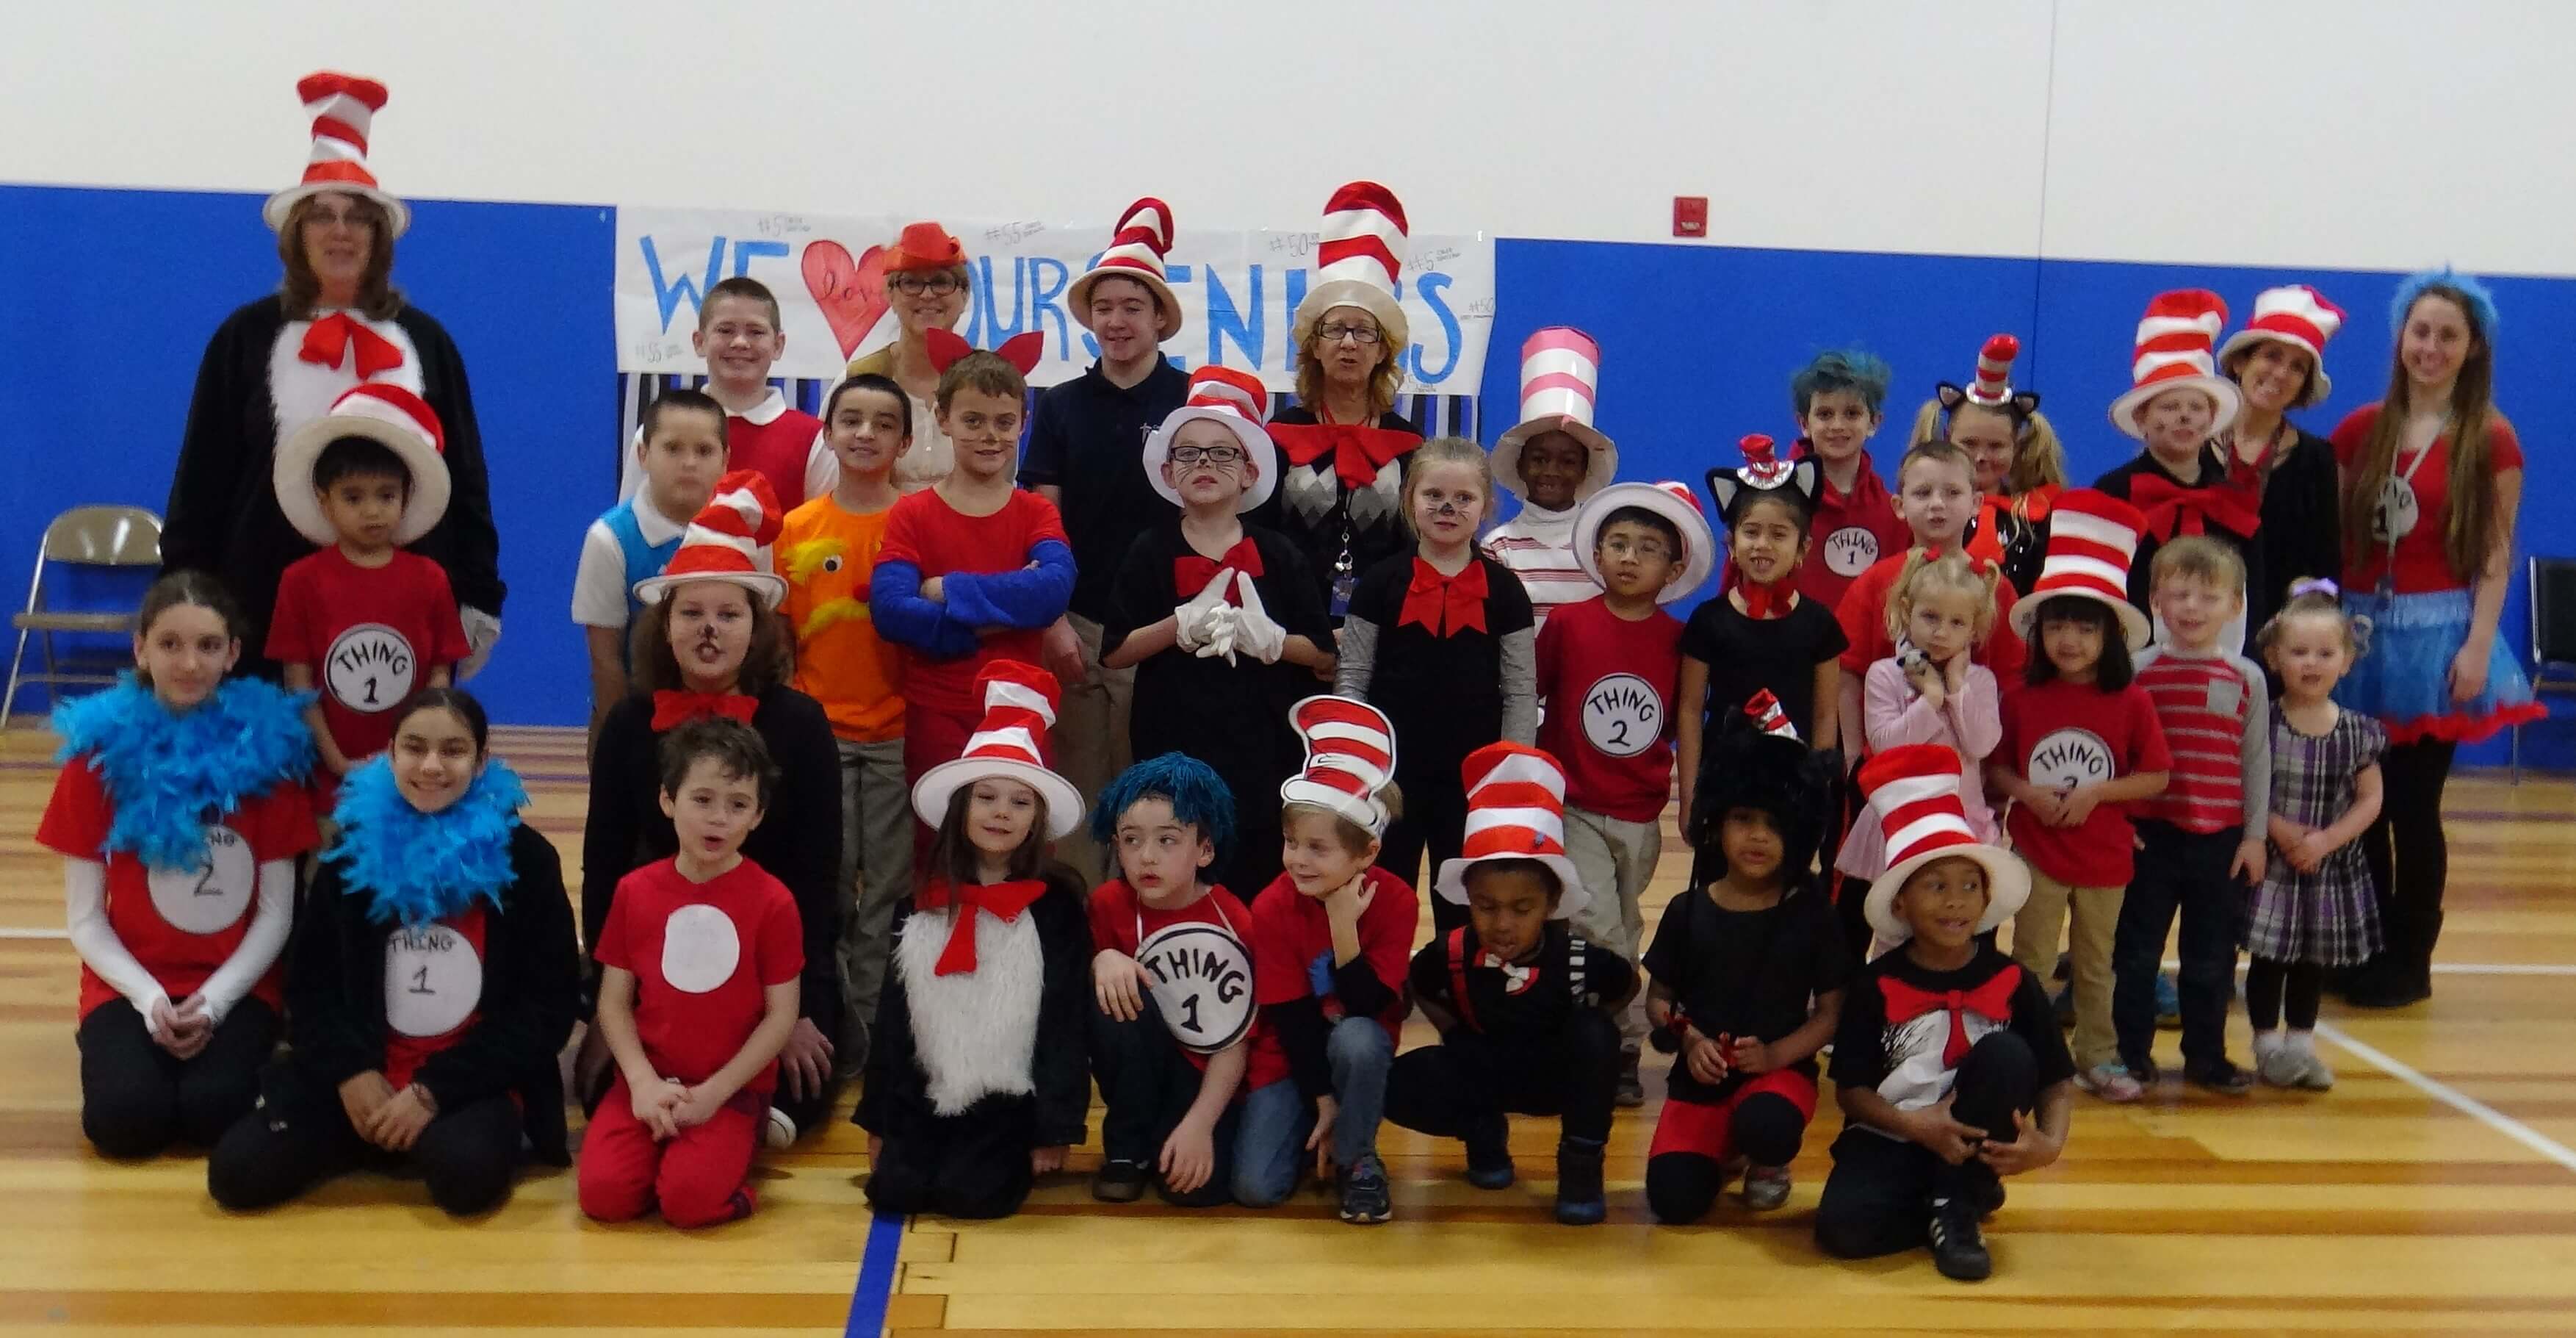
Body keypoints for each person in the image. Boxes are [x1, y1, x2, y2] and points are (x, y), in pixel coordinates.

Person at [163, 71, 501, 682]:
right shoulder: (244, 337)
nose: (340, 230)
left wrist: (478, 593)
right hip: (260, 607)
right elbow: (202, 476)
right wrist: (186, 592)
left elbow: (467, 477)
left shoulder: (427, 341)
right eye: (321, 216)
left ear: (379, 236)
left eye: (357, 218)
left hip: (401, 606)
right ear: (298, 235)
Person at [207, 689, 578, 1215]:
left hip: (470, 1078)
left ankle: (399, 1133)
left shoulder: (528, 860)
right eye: (415, 747)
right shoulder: (349, 853)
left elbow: (546, 1008)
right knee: (235, 1176)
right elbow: (310, 986)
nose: (431, 765)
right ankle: (370, 1127)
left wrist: (433, 1091)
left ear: (481, 761)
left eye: (453, 750)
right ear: (390, 754)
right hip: (365, 1068)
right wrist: (352, 1073)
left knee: (466, 1179)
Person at [582, 472, 843, 1143]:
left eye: (728, 615)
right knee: (598, 1096)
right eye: (691, 613)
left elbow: (817, 875)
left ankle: (741, 1102)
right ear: (663, 626)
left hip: (771, 964)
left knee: (802, 1094)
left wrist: (806, 1005)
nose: (708, 630)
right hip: (661, 958)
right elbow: (604, 867)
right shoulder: (629, 724)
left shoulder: (802, 723)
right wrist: (607, 1005)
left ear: (755, 630)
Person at [38, 573, 316, 1159]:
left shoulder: (269, 758)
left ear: (234, 653)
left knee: (214, 1113)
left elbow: (276, 915)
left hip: (238, 987)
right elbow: (86, 919)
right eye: (170, 644)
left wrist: (213, 1002)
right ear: (139, 648)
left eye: (209, 645)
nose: (189, 663)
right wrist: (147, 999)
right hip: (129, 981)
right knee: (123, 1122)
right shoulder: (97, 759)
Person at [2331, 268, 2542, 1007]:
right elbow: (2333, 540)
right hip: (2357, 635)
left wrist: (2479, 644)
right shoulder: (2360, 431)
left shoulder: (2491, 436)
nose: (2431, 346)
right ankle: (2362, 944)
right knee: (2357, 800)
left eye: (2448, 335)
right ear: (2400, 339)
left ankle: (2410, 957)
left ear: (2471, 347)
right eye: (2421, 331)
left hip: (2436, 636)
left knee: (2410, 805)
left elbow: (2494, 549)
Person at [1816, 744, 2071, 1283]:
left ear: (1985, 899)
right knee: (1842, 1232)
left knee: (2006, 1053)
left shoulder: (2012, 979)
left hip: (1979, 1135)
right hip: (1895, 1133)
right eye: (1935, 886)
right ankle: (1947, 1200)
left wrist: (2048, 1146)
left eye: (1968, 886)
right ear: (1901, 903)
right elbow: (1851, 1091)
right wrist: (1916, 1125)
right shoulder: (1875, 983)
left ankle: (1954, 1204)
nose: (1955, 901)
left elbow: (2053, 1075)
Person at [857, 663, 1092, 1220]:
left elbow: (1064, 1022)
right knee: (893, 1192)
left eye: (1019, 802)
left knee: (974, 1196)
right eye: (987, 796)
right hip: (927, 1089)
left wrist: (1054, 1129)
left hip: (1008, 1098)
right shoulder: (920, 905)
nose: (1001, 813)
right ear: (962, 807)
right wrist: (878, 1121)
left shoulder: (1055, 909)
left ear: (1036, 819)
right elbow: (894, 1021)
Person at [1102, 367, 1332, 898]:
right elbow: (1114, 652)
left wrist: (1272, 642)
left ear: (1249, 471)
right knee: (1177, 868)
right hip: (1171, 741)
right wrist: (1176, 625)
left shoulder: (1279, 553)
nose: (1204, 462)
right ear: (1169, 470)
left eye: (1221, 452)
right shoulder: (1149, 549)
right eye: (1189, 452)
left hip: (1265, 748)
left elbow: (1321, 654)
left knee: (1256, 872)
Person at [1388, 743, 1632, 1226]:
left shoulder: (1579, 959)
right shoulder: (1451, 952)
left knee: (1597, 1036)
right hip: (1486, 1069)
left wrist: (1589, 1036)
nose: (1502, 923)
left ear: (1551, 903)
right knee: (1393, 1084)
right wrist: (1454, 1032)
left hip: (1552, 1075)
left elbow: (1626, 984)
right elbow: (1417, 982)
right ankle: (1483, 1133)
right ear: (1468, 900)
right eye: (1485, 906)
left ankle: (1581, 1163)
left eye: (1521, 909)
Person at [1025, 198, 1192, 885]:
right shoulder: (1061, 405)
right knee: (1080, 799)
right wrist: (1053, 616)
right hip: (1082, 625)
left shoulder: (1193, 398)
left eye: (1133, 306)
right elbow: (1043, 521)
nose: (1117, 321)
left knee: (1157, 800)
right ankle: (1082, 945)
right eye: (1104, 307)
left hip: (1167, 627)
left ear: (1159, 317)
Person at [1985, 493, 2171, 1104]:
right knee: (2032, 960)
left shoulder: (2131, 701)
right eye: (2056, 625)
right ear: (2038, 633)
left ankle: (2098, 1055)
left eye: (2084, 626)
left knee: (2095, 966)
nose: (2068, 638)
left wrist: (2096, 794)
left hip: (2105, 860)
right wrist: (2026, 796)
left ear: (2110, 634)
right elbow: (1997, 769)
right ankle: (2030, 1057)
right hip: (2037, 854)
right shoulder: (2019, 696)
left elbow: (2156, 776)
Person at [580, 719, 804, 1229]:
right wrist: (640, 1082)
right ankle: (674, 1150)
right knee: (603, 1196)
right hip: (648, 1078)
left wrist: (714, 1093)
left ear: (758, 814)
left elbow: (781, 1014)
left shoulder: (773, 902)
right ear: (667, 800)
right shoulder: (635, 891)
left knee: (688, 1203)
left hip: (728, 1089)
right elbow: (613, 1002)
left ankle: (736, 1160)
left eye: (737, 804)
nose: (718, 818)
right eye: (702, 799)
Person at [1540, 478, 1715, 1103]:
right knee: (1599, 925)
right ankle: (1619, 1041)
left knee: (1622, 920)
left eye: (1646, 547)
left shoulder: (1677, 639)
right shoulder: (1567, 623)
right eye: (1617, 542)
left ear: (1672, 568)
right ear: (1597, 551)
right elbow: (1535, 692)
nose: (1629, 557)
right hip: (1575, 803)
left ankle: (1584, 1025)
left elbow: (1678, 719)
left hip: (1638, 812)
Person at [1642, 698, 1847, 1221]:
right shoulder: (1687, 909)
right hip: (1701, 1075)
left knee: (1768, 1124)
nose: (1757, 836)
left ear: (1799, 830)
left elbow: (1829, 1013)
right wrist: (1689, 1039)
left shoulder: (1813, 914)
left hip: (1777, 1075)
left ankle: (1766, 1158)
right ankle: (1722, 1148)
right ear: (1716, 821)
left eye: (1774, 824)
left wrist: (1777, 1056)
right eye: (1742, 819)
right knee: (1672, 1201)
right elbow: (1659, 998)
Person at [870, 331, 1073, 846]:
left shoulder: (1036, 511)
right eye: (973, 420)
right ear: (942, 419)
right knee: (938, 848)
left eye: (1004, 422)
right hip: (936, 709)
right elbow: (891, 609)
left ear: (1024, 423)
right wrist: (997, 616)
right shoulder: (912, 513)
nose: (990, 436)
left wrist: (946, 590)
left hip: (1021, 709)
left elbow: (1052, 591)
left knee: (1021, 849)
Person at [1337, 436, 1537, 927]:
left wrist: (1509, 771)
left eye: (1463, 498)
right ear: (1409, 501)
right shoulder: (1379, 583)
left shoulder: (1506, 590)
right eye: (1433, 495)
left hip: (1473, 776)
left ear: (1486, 507)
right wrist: (1358, 766)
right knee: (1385, 886)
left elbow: (1519, 688)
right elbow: (1353, 678)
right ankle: (1383, 985)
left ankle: (1460, 986)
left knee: (1466, 891)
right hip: (1391, 776)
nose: (1447, 507)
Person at [1236, 697, 1415, 1223]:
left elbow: (1368, 1004)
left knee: (1357, 1038)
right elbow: (1291, 1017)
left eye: (1317, 848)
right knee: (1254, 1187)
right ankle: (1320, 1129)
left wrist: (1342, 924)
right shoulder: (1271, 904)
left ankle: (1358, 1159)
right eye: (1292, 842)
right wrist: (1322, 1100)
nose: (1297, 859)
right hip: (1292, 1057)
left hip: (1355, 1048)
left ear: (1366, 855)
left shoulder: (1397, 900)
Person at [779, 375, 913, 1077]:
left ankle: (871, 1023)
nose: (865, 433)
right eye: (850, 420)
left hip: (895, 734)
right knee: (827, 882)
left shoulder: (916, 522)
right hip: (819, 737)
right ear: (826, 434)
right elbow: (782, 639)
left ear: (905, 441)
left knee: (887, 888)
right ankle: (825, 1017)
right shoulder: (797, 530)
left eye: (882, 423)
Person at [2113, 538, 2270, 1095]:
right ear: (2155, 600)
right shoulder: (2135, 672)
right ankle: (2128, 1054)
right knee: (2135, 953)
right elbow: (2118, 754)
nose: (2192, 607)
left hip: (2219, 841)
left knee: (2210, 958)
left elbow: (2255, 762)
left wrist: (2254, 836)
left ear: (2234, 605)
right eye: (2179, 594)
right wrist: (2120, 822)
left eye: (2209, 596)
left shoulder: (2245, 677)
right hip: (2148, 837)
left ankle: (2206, 1057)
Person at [264, 385, 471, 800]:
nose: (373, 511)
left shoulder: (430, 579)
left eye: (386, 496)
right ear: (324, 503)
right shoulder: (301, 580)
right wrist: (334, 758)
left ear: (406, 498)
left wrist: (415, 754)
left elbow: (439, 677)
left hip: (411, 777)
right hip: (327, 774)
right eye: (353, 497)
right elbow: (298, 682)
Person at [1083, 754, 1257, 1206]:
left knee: (1198, 1193)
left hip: (1207, 1074)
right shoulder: (1107, 904)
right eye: (1131, 840)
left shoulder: (1234, 920)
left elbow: (1235, 1042)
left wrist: (1199, 1125)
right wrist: (1102, 957)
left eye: (1167, 840)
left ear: (1205, 850)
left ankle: (1168, 1134)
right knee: (1115, 995)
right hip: (1142, 1062)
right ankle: (1126, 1150)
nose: (1147, 857)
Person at [1252, 182, 1425, 619]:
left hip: (1380, 624)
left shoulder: (1410, 443)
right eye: (1336, 329)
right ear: (1314, 345)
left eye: (1364, 332)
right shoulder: (1278, 435)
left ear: (1383, 350)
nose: (1349, 344)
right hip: (1288, 622)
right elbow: (1260, 538)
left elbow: (1415, 548)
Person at [1833, 548, 2004, 955]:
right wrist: (1929, 698)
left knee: (1956, 933)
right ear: (1907, 610)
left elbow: (1982, 744)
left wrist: (1956, 688)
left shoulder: (1979, 681)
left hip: (1959, 821)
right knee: (1895, 931)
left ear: (1974, 631)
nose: (1942, 632)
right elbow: (1889, 745)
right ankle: (1892, 1014)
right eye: (1931, 617)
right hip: (1899, 824)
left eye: (1957, 622)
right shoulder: (1884, 676)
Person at [2250, 584, 2386, 1087]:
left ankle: (2301, 1043)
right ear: (2273, 656)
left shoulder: (2357, 731)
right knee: (2269, 956)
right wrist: (2281, 830)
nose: (2311, 663)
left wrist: (2325, 840)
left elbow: (2369, 798)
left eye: (2325, 653)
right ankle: (2265, 1042)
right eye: (2298, 652)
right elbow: (2248, 784)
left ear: (2346, 661)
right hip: (2274, 861)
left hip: (2327, 865)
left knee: (2311, 959)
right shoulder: (2263, 720)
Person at [1678, 436, 1846, 827]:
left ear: (1803, 548)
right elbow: (1689, 710)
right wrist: (1689, 798)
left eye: (1779, 535)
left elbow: (1825, 715)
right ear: (1731, 544)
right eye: (1751, 532)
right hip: (1724, 785)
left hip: (1794, 788)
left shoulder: (1820, 625)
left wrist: (1819, 791)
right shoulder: (1708, 621)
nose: (1762, 545)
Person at [1833, 440, 2027, 762]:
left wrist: (2000, 771)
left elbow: (2011, 683)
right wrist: (1853, 756)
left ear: (1977, 503)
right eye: (1923, 493)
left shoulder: (1995, 586)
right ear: (1898, 506)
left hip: (1967, 772)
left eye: (1952, 493)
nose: (1937, 504)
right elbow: (1848, 673)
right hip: (1889, 767)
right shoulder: (1873, 583)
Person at [2094, 289, 2265, 653]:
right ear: (2142, 418)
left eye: (2196, 407)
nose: (2185, 416)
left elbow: (2252, 589)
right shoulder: (2114, 492)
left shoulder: (2231, 498)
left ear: (2211, 419)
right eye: (2170, 406)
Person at [574, 389, 729, 735]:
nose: (689, 463)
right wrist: (623, 738)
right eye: (673, 448)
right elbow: (605, 659)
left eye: (704, 451)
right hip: (635, 717)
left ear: (725, 459)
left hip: (727, 726)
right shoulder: (609, 538)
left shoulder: (745, 530)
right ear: (643, 454)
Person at [616, 277, 832, 507]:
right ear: (700, 342)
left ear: (778, 345)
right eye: (726, 330)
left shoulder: (815, 440)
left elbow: (825, 531)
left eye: (756, 332)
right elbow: (630, 529)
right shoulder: (658, 431)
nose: (740, 342)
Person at [2218, 286, 2348, 647]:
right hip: (2190, 636)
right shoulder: (2193, 444)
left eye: (2297, 367)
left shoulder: (2316, 460)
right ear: (2241, 361)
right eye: (2271, 356)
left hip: (2276, 646)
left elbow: (2323, 565)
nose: (2280, 373)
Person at [1907, 334, 2067, 595]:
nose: (1980, 457)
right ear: (1947, 438)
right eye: (1969, 444)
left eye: (1996, 446)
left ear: (2017, 445)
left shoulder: (2033, 518)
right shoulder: (1926, 508)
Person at [1481, 328, 1620, 627]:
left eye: (1568, 461)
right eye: (1539, 459)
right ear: (1519, 465)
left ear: (1585, 470)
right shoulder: (1498, 547)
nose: (1551, 471)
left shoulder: (1603, 543)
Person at [845, 220, 973, 491]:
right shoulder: (860, 377)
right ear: (890, 294)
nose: (927, 295)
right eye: (911, 283)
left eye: (941, 282)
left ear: (964, 295)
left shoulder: (988, 381)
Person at [1789, 348, 1908, 612]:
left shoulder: (1894, 514)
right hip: (1793, 651)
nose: (1838, 425)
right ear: (1804, 423)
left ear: (1874, 422)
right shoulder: (1777, 501)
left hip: (1871, 653)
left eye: (1852, 413)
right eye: (1825, 414)